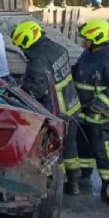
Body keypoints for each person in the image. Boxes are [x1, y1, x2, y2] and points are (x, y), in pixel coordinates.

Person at [11, 21, 82, 194]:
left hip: (57, 113)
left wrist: (21, 89)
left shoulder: (37, 61)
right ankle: (74, 183)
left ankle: (57, 187)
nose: (22, 50)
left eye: (21, 46)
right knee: (71, 146)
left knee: (54, 152)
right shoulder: (58, 48)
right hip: (73, 106)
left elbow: (36, 90)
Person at [72, 20, 109, 192]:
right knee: (84, 146)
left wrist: (100, 103)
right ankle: (84, 175)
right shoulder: (87, 54)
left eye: (86, 38)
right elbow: (77, 72)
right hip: (83, 112)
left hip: (100, 115)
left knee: (102, 149)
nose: (83, 41)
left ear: (97, 38)